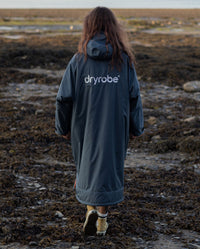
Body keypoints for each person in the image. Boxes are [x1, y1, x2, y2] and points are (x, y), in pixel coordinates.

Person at [55, 6, 144, 236]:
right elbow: (135, 96)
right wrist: (136, 127)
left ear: (89, 28)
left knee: (86, 164)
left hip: (83, 126)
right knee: (108, 167)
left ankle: (90, 210)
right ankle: (102, 219)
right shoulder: (124, 61)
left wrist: (62, 127)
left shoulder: (78, 60)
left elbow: (63, 98)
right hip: (115, 126)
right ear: (114, 29)